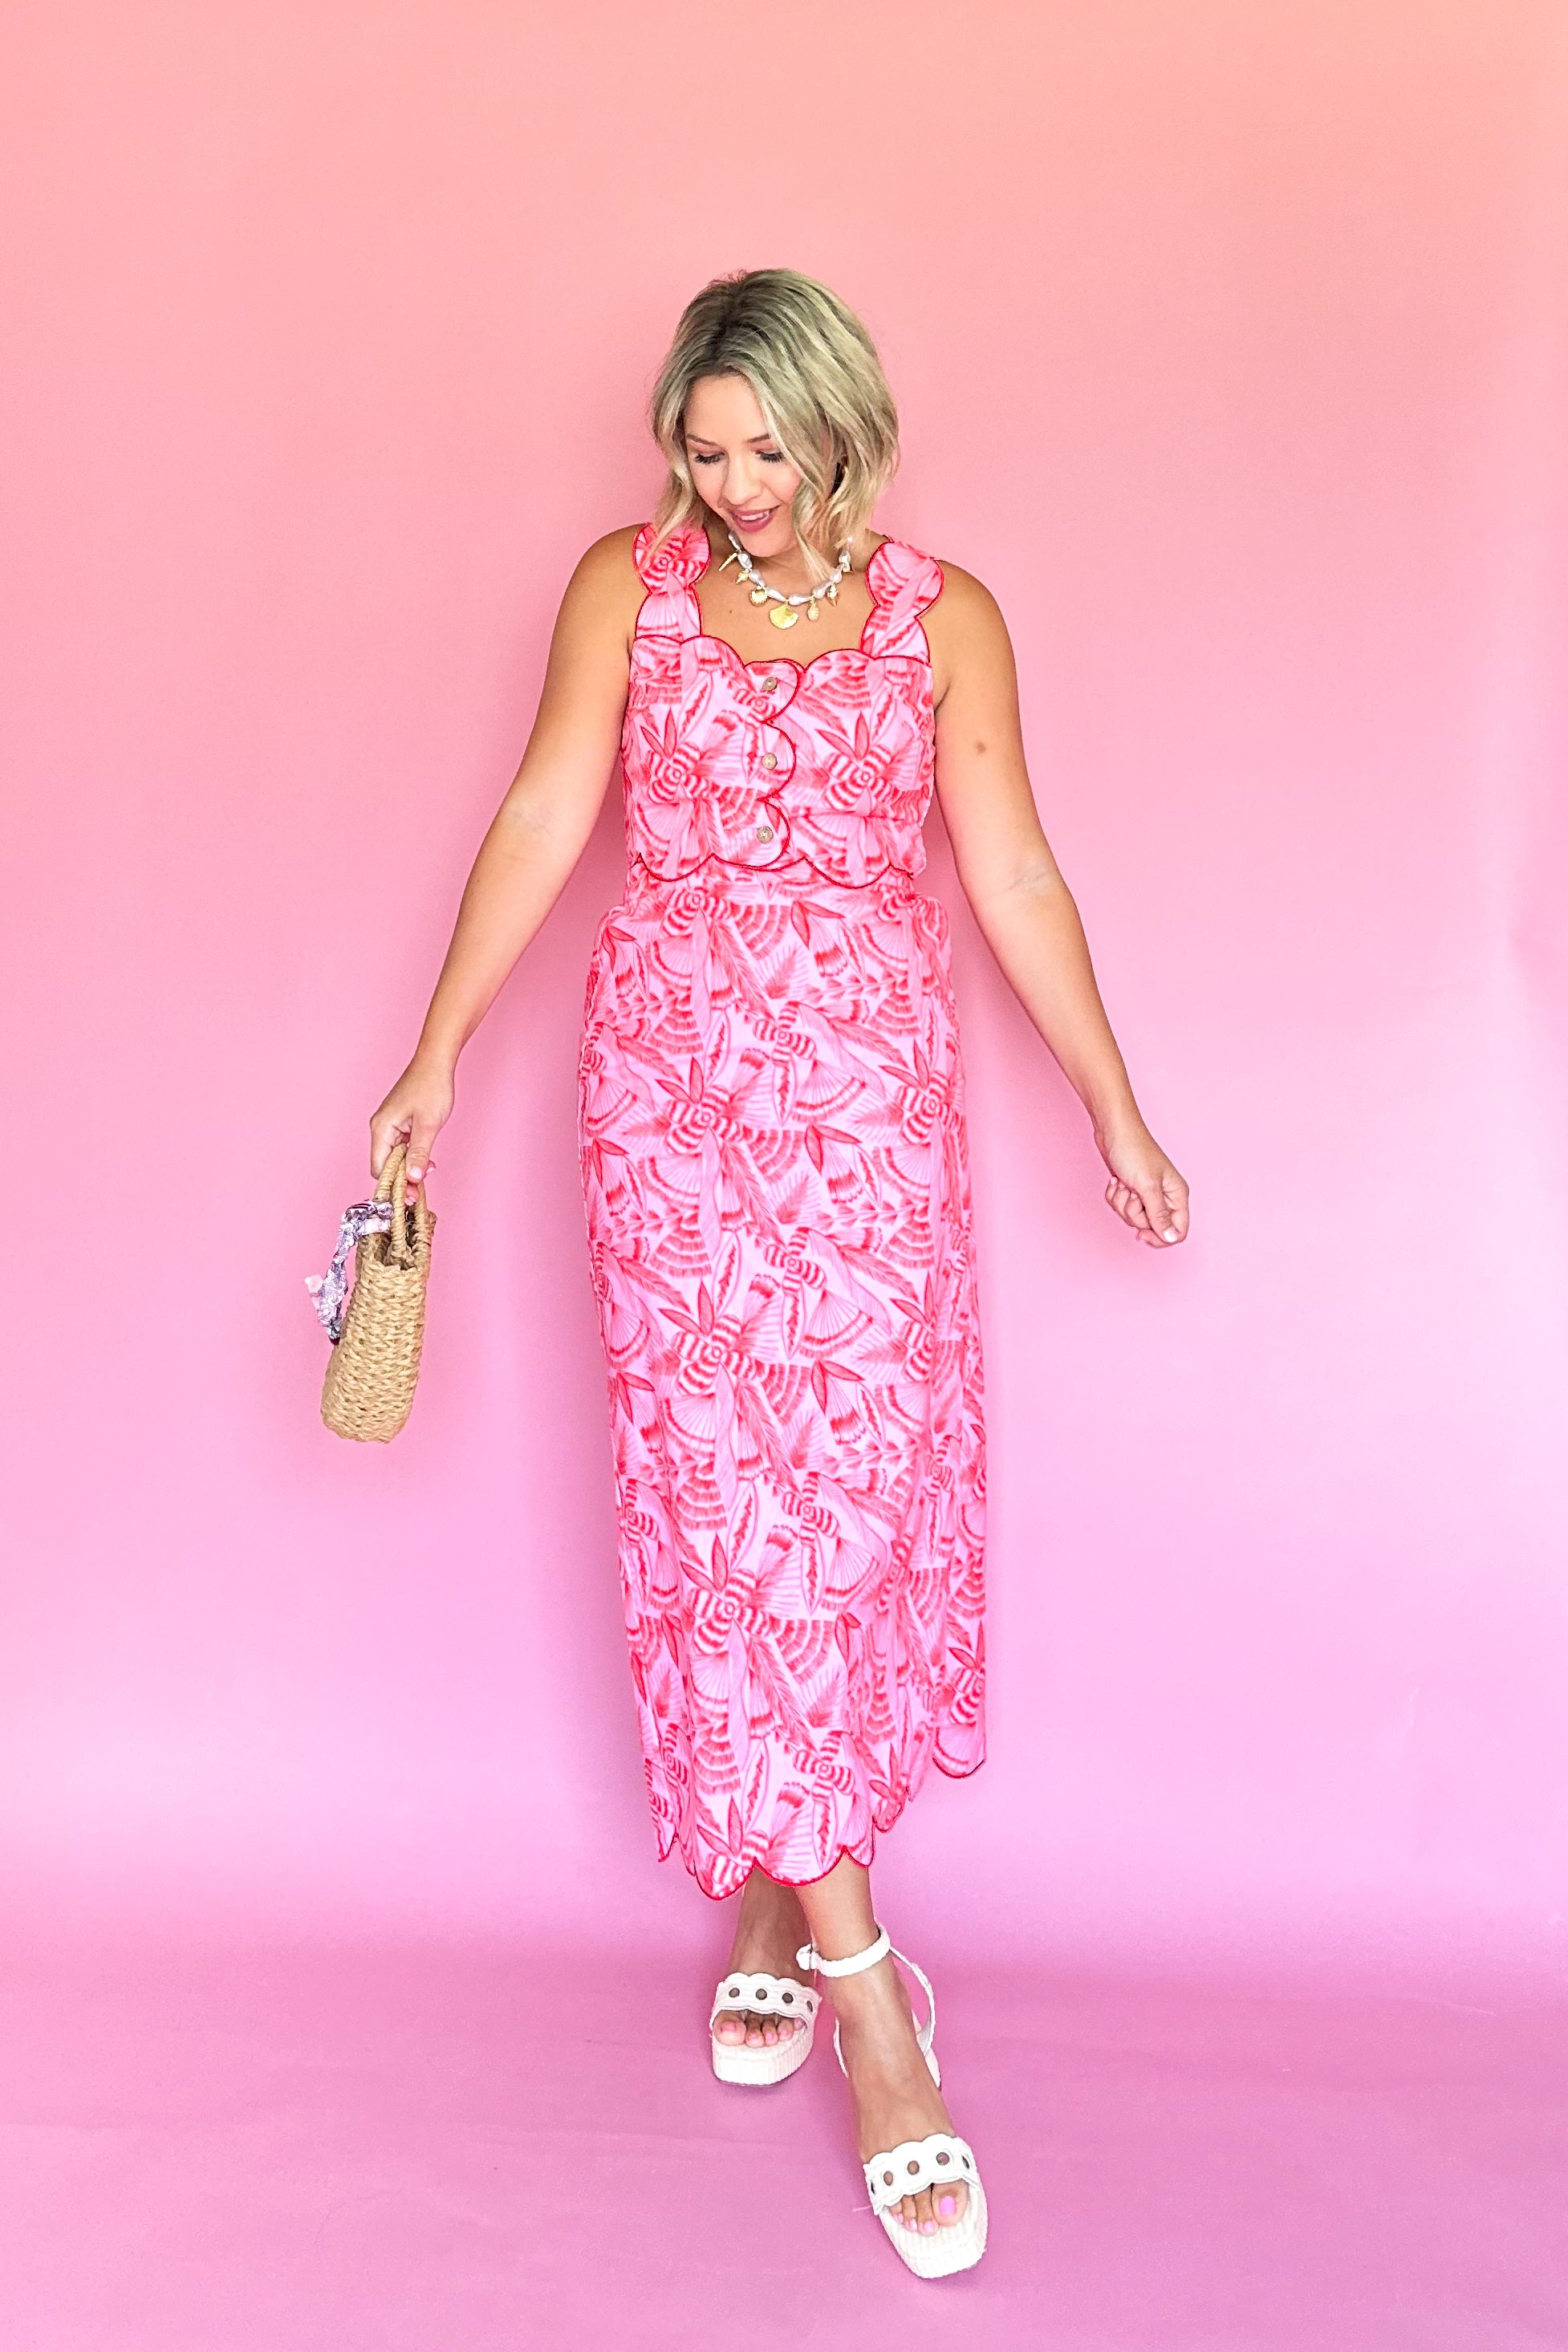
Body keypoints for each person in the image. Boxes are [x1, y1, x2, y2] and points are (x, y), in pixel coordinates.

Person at [370, 266, 1188, 2279]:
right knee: (721, 1513)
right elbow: (545, 808)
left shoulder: (942, 617)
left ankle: (772, 1888)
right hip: (667, 1108)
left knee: (840, 1515)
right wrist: (436, 1046)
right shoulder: (625, 588)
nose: (733, 486)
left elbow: (1012, 869)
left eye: (766, 449)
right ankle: (873, 2002)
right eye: (704, 447)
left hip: (867, 1122)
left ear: (846, 429)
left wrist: (1111, 1103)